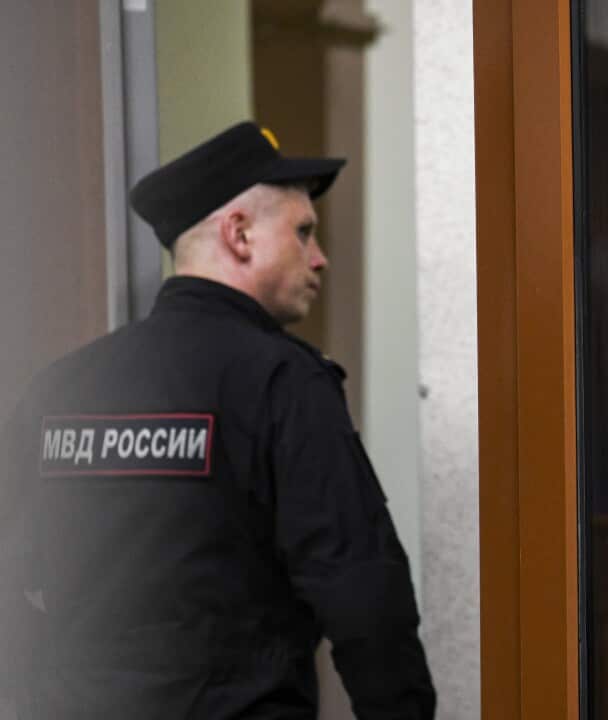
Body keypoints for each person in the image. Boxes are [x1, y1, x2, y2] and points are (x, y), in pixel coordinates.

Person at [0, 122, 435, 719]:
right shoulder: (282, 382)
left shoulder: (61, 388)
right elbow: (362, 592)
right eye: (303, 232)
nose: (320, 258)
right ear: (239, 234)